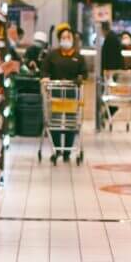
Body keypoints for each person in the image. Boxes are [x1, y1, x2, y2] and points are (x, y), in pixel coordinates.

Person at [40, 24, 86, 160]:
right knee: (55, 121)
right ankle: (57, 149)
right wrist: (45, 78)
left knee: (71, 123)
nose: (66, 39)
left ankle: (67, 152)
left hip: (72, 95)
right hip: (55, 94)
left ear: (72, 39)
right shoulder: (52, 56)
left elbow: (84, 73)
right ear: (59, 39)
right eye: (63, 37)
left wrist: (80, 78)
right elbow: (44, 70)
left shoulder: (78, 57)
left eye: (68, 37)